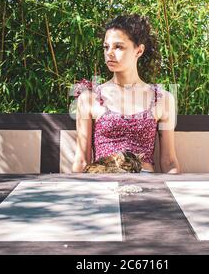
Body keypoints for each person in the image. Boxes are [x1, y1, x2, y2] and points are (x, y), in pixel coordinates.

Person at [71, 14, 180, 174]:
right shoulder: (89, 98)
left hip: (146, 185)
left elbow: (169, 161)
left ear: (139, 50)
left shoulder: (162, 99)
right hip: (102, 184)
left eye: (118, 47)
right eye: (106, 47)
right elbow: (82, 160)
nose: (109, 53)